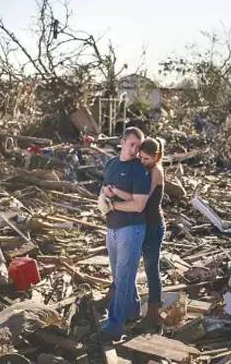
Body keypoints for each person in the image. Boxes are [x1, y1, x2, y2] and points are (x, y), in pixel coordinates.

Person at [98, 127, 151, 341]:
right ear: (122, 142)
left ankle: (115, 326)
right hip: (112, 228)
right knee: (121, 276)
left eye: (138, 147)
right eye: (131, 145)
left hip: (132, 229)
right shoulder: (111, 164)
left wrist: (114, 206)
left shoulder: (139, 170)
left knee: (122, 278)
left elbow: (138, 206)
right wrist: (103, 201)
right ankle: (133, 309)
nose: (135, 150)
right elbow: (104, 189)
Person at [108, 137, 165, 330]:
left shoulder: (155, 172)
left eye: (146, 159)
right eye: (140, 158)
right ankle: (130, 305)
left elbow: (140, 200)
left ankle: (153, 311)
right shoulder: (143, 169)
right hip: (139, 224)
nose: (142, 162)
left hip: (153, 226)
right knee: (127, 264)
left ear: (156, 157)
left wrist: (117, 199)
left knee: (150, 268)